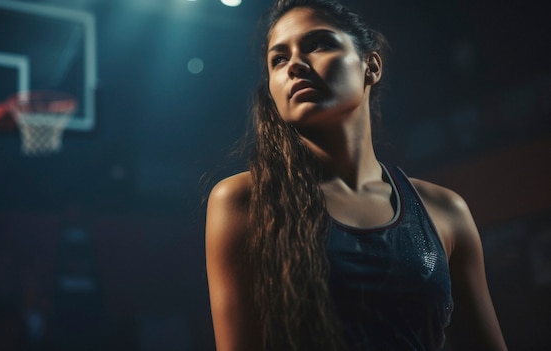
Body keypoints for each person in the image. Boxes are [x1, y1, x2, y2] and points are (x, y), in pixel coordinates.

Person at [205, 0, 508, 350]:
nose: (295, 65)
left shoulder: (446, 211)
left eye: (319, 43)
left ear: (371, 65)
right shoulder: (244, 200)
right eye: (279, 59)